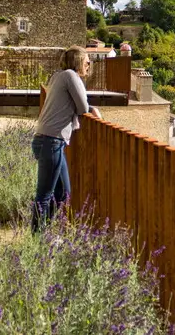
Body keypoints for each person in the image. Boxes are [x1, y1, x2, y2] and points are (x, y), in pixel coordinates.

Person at [31, 45, 102, 232]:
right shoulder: (71, 76)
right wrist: (92, 109)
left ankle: (44, 232)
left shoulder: (57, 76)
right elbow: (81, 107)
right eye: (87, 61)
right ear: (78, 61)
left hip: (46, 139)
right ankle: (36, 240)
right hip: (51, 141)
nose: (89, 64)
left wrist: (89, 107)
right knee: (45, 195)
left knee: (63, 193)